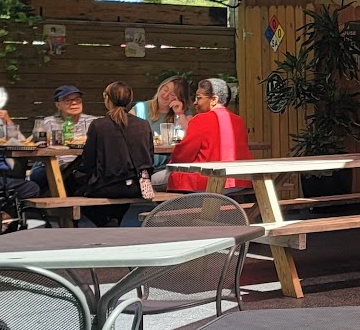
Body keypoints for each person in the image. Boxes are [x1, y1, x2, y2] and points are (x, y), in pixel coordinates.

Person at [63, 81, 154, 226]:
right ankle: (114, 219)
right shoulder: (143, 124)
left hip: (106, 186)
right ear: (129, 100)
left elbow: (88, 161)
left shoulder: (99, 125)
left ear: (107, 99)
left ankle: (103, 222)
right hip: (137, 187)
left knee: (67, 183)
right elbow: (150, 157)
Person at [166, 77, 252, 192]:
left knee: (155, 179)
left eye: (199, 98)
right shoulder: (238, 120)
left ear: (214, 100)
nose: (195, 102)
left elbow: (183, 155)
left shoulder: (200, 119)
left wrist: (171, 159)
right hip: (239, 182)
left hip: (206, 182)